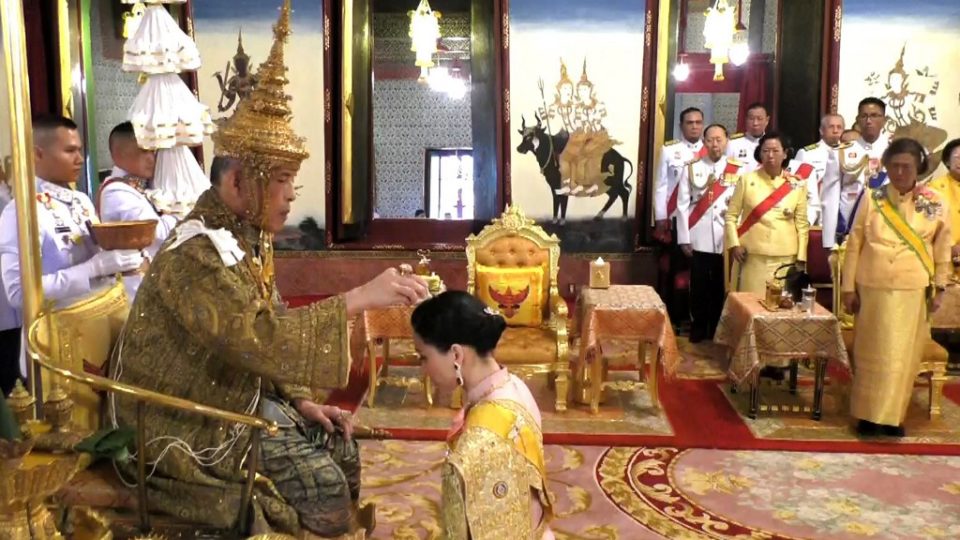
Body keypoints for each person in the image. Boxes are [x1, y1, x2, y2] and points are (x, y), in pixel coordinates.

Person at [110, 5, 429, 537]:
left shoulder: (246, 238)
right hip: (186, 414)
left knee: (340, 446)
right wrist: (355, 298)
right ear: (237, 183)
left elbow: (270, 317)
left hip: (237, 389)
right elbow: (256, 336)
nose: (289, 197)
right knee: (323, 483)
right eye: (280, 181)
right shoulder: (195, 253)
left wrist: (301, 398)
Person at [0, 116, 144, 396]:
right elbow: (18, 293)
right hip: (57, 340)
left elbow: (96, 260)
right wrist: (91, 269)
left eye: (80, 149)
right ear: (38, 154)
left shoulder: (80, 200)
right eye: (70, 151)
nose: (80, 158)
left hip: (101, 327)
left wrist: (117, 261)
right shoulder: (21, 212)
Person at [411, 291, 554, 540]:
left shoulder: (480, 440)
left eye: (424, 357)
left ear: (456, 355)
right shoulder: (514, 385)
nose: (422, 369)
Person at [841, 138, 952, 437]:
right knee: (871, 353)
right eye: (894, 166)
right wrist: (847, 287)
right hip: (872, 285)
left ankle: (892, 418)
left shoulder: (933, 201)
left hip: (912, 287)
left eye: (907, 166)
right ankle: (866, 416)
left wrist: (940, 286)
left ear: (919, 167)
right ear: (886, 166)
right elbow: (854, 244)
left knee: (901, 357)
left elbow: (942, 247)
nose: (900, 172)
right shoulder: (872, 198)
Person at [677, 124, 745, 342]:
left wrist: (738, 238)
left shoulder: (739, 169)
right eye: (710, 140)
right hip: (699, 235)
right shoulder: (692, 167)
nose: (715, 144)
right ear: (704, 143)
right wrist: (684, 238)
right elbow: (682, 205)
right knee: (698, 285)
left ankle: (717, 327)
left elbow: (744, 205)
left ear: (726, 141)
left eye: (719, 139)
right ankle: (697, 326)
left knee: (720, 285)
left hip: (726, 236)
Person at [98, 121, 179, 299]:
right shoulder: (116, 191)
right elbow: (157, 232)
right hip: (134, 290)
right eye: (144, 151)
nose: (152, 158)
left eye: (153, 151)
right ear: (118, 155)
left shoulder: (140, 186)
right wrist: (180, 211)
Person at [725, 132, 809, 296]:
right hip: (752, 255)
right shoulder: (746, 180)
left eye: (775, 150)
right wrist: (734, 244)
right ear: (759, 153)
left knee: (781, 307)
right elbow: (730, 217)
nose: (770, 155)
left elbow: (802, 224)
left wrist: (801, 256)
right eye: (765, 151)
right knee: (752, 305)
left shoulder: (797, 184)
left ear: (785, 153)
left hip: (785, 255)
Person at [821, 97, 891, 249]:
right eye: (864, 116)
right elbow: (830, 196)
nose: (868, 120)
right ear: (858, 119)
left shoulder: (895, 150)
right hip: (849, 227)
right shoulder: (842, 151)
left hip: (886, 227)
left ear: (884, 120)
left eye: (874, 115)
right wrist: (829, 241)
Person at [653, 107, 705, 240]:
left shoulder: (711, 151)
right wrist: (660, 216)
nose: (694, 126)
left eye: (698, 122)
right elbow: (661, 185)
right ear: (681, 126)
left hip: (703, 214)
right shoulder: (669, 150)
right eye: (689, 123)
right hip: (675, 214)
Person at [795, 114, 845, 226]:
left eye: (839, 127)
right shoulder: (807, 153)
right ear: (821, 130)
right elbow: (798, 188)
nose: (836, 130)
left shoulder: (849, 154)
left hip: (842, 215)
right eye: (831, 127)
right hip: (816, 215)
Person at [928, 138, 960, 270]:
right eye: (958, 157)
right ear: (947, 161)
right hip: (944, 260)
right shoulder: (933, 189)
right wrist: (951, 246)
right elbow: (930, 224)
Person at [726, 103, 770, 173]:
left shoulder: (773, 144)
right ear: (746, 120)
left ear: (767, 120)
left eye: (760, 119)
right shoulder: (733, 144)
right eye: (751, 119)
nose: (755, 123)